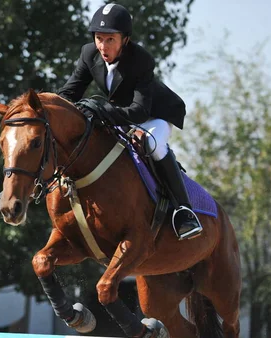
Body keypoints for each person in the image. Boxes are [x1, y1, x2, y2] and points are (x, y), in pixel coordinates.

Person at [57, 3, 202, 240]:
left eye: (110, 39)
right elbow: (68, 93)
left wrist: (101, 110)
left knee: (152, 145)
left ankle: (183, 211)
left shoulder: (141, 60)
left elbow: (138, 111)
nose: (103, 46)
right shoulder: (88, 54)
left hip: (155, 114)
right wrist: (51, 109)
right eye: (99, 38)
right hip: (122, 114)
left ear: (125, 39)